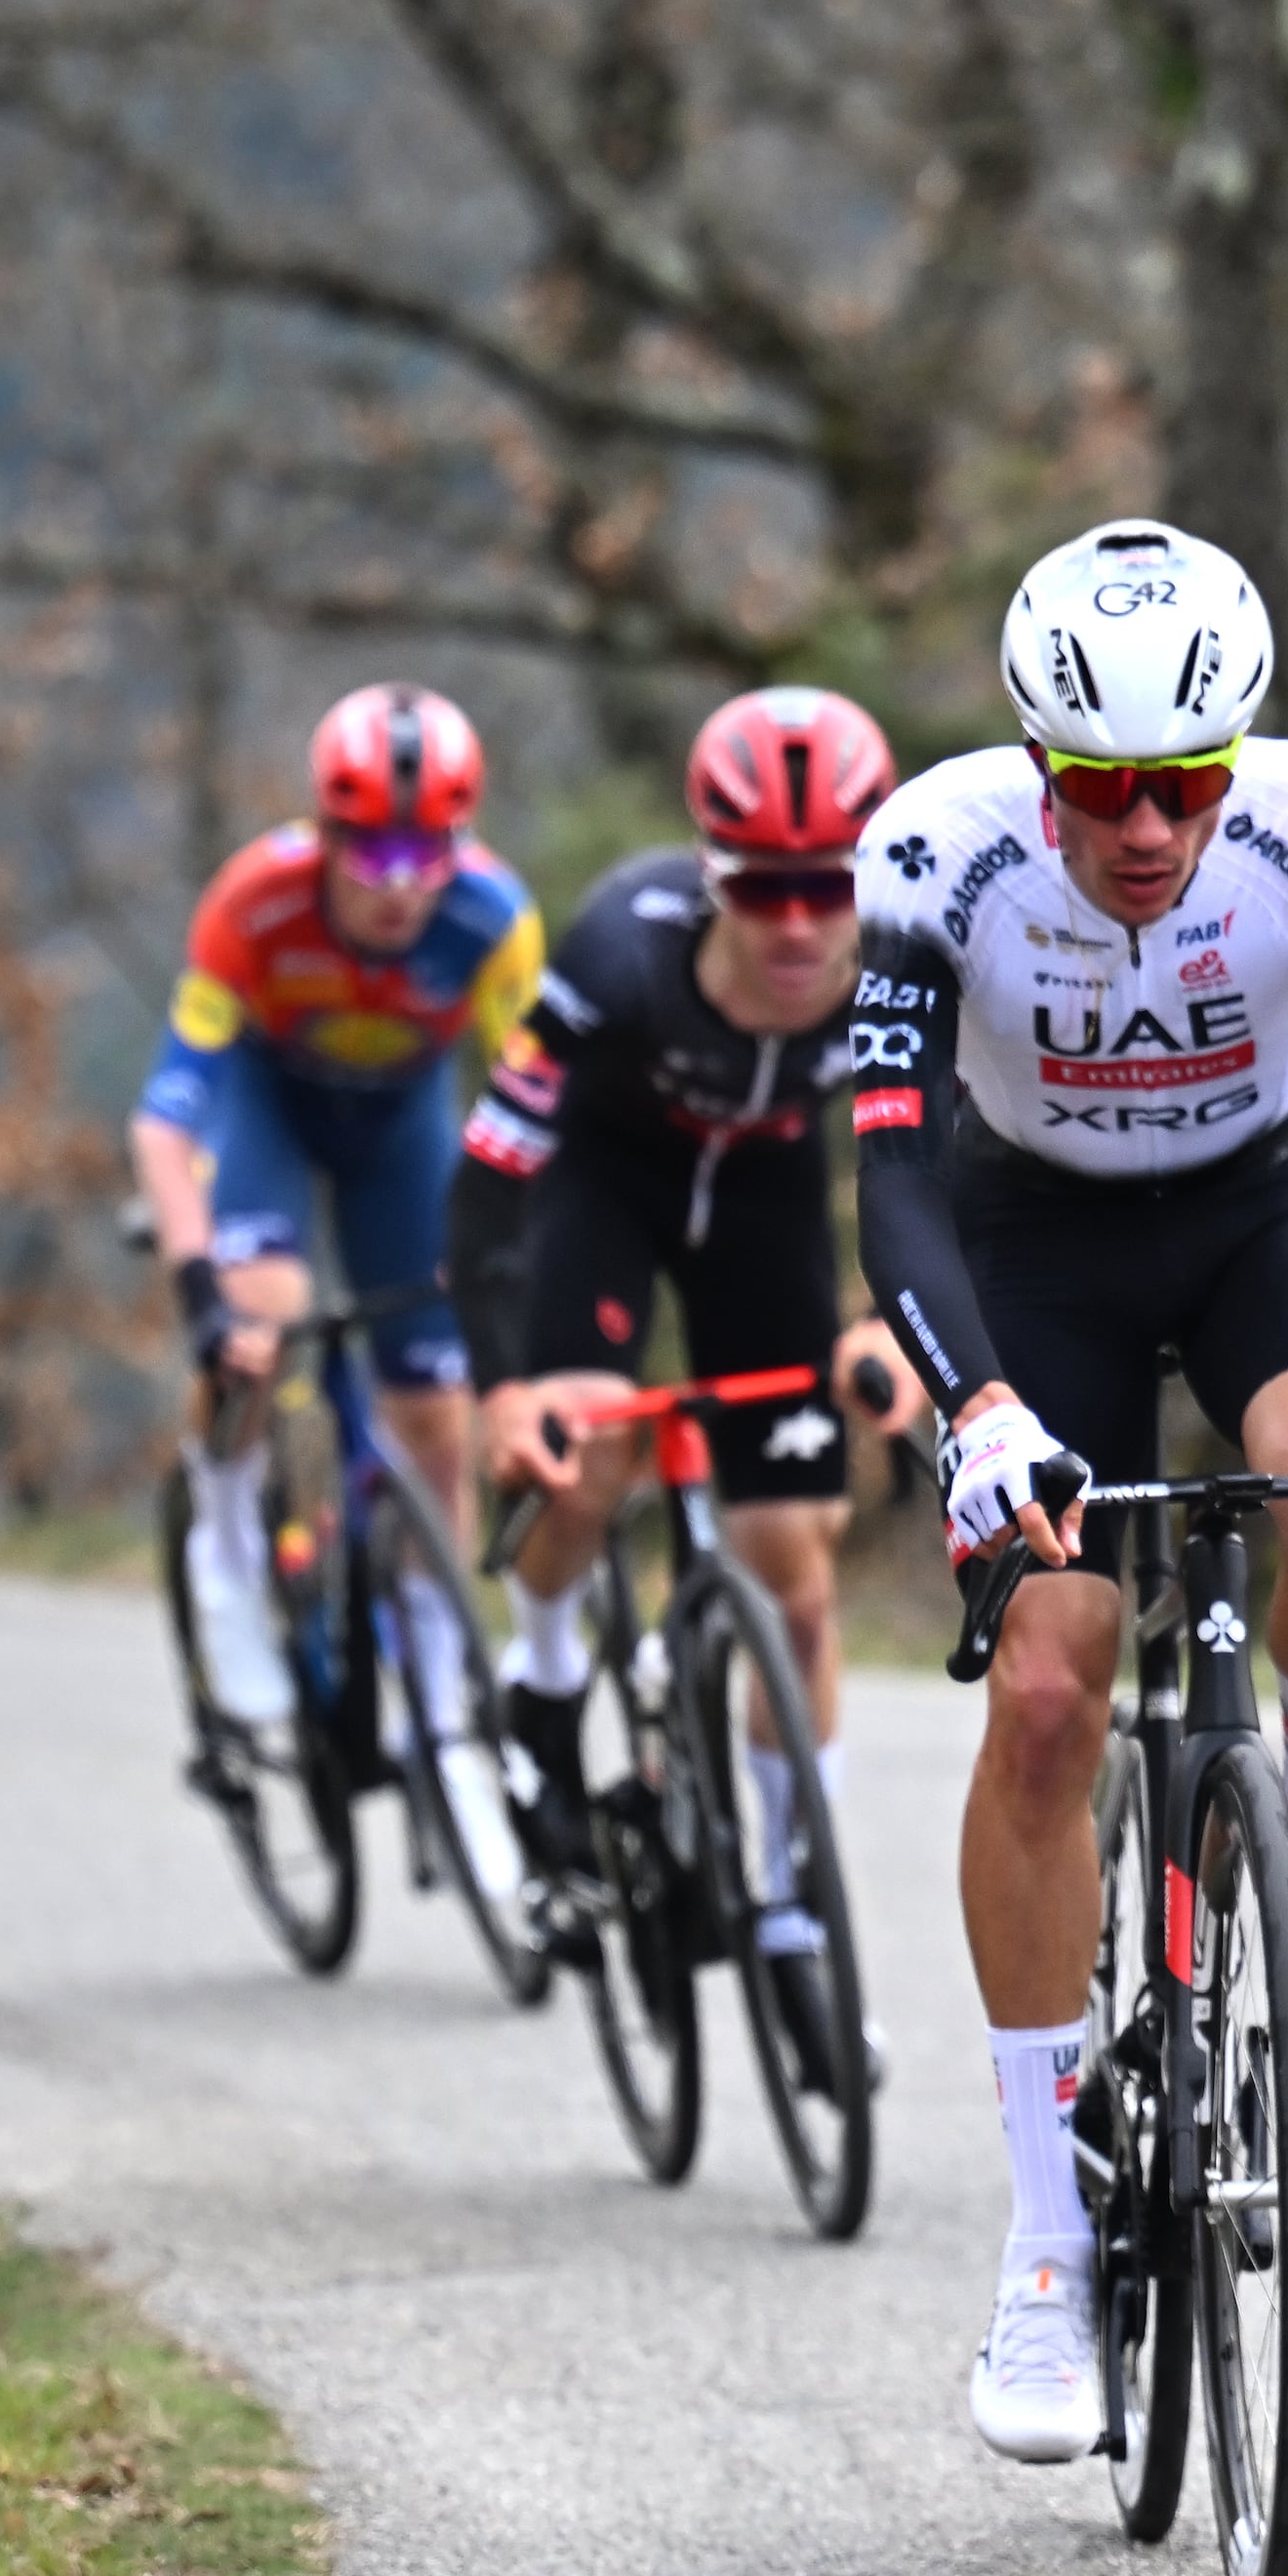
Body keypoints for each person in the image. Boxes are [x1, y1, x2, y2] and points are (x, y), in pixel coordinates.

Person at [852, 519, 1288, 2465]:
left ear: (1232, 760)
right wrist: (977, 1401)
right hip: (1036, 1249)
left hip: (1261, 1212)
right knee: (1041, 1687)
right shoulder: (935, 857)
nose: (1138, 827)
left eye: (1178, 785)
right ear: (1037, 764)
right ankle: (1039, 2234)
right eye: (1094, 786)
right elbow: (891, 1172)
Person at [453, 687, 920, 1937]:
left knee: (796, 1572)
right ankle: (542, 1678)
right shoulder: (615, 952)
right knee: (587, 1443)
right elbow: (491, 1175)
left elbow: (947, 1163)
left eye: (828, 887)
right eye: (760, 888)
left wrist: (894, 1321)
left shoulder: (903, 957)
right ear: (712, 873)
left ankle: (789, 1882)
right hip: (605, 1188)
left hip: (764, 1201)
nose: (798, 922)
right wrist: (503, 1388)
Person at [131, 683, 544, 1730]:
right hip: (271, 1107)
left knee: (435, 1419)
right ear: (323, 835)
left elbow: (537, 1107)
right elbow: (164, 1125)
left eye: (429, 853)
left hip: (400, 1127)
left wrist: (517, 1244)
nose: (402, 887)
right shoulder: (253, 904)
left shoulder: (491, 920)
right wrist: (197, 1289)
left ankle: (441, 1686)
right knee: (261, 1310)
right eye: (372, 856)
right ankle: (222, 1540)